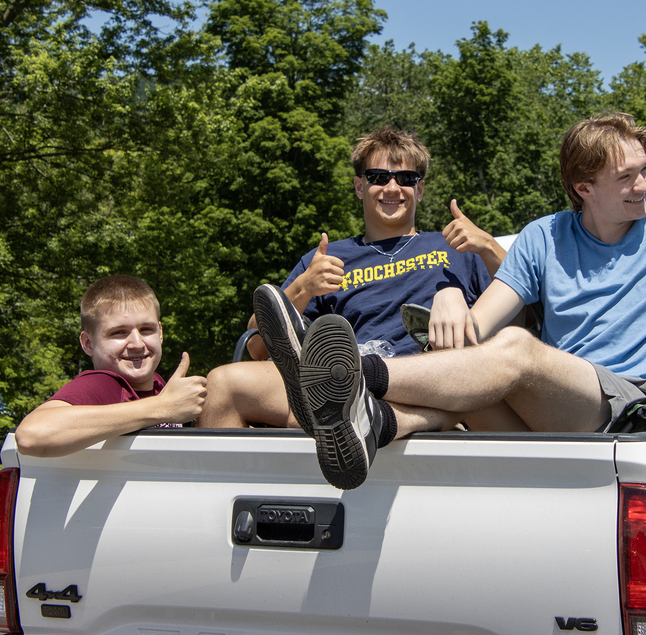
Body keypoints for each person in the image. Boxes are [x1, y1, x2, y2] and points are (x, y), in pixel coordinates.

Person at [254, 112, 646, 490]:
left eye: (645, 169)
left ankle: (349, 379)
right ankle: (376, 422)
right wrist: (448, 298)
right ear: (583, 187)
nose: (645, 185)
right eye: (626, 177)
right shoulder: (543, 236)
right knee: (460, 372)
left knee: (514, 348)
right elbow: (478, 327)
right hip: (553, 421)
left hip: (638, 408)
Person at [197, 127, 504, 428]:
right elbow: (256, 346)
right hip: (342, 377)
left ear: (420, 189)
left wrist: (490, 247)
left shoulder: (459, 247)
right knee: (223, 384)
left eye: (406, 179)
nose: (393, 188)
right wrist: (304, 287)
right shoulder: (326, 258)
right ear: (360, 186)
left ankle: (343, 413)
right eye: (378, 178)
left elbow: (529, 313)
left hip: (430, 379)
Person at [15, 275, 207, 457]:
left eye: (146, 329)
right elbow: (31, 435)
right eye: (119, 332)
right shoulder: (105, 384)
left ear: (160, 333)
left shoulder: (158, 383)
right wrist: (162, 407)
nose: (137, 344)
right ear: (88, 343)